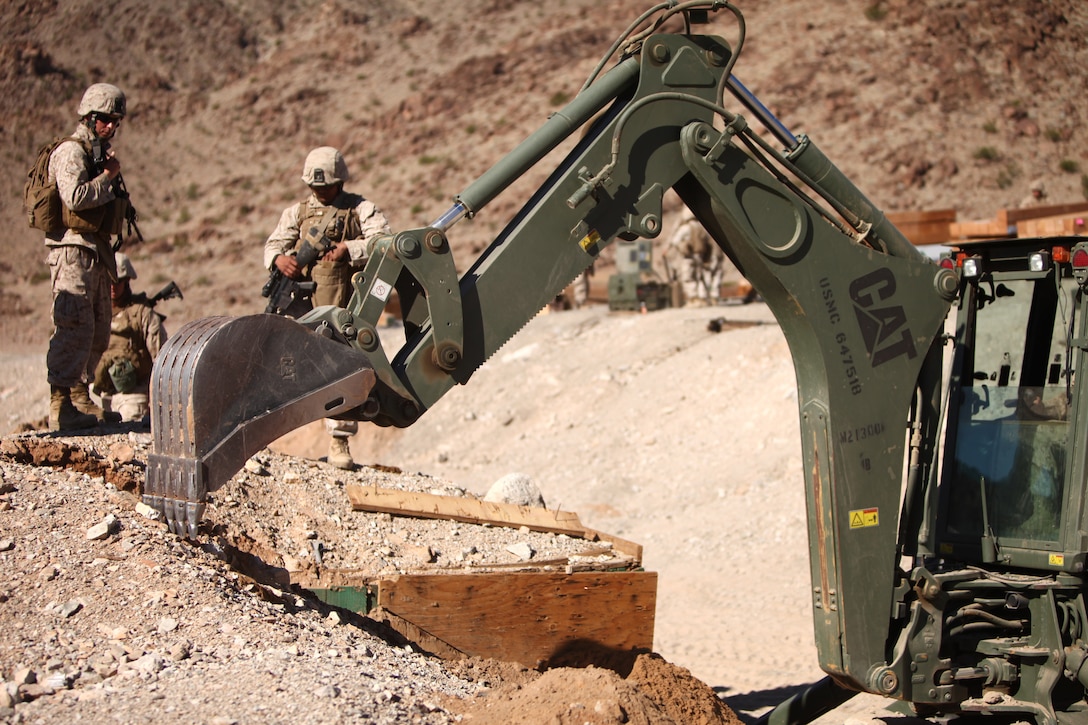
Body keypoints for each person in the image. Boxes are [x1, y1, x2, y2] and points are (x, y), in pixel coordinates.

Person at [263, 146, 392, 470]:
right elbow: (274, 245)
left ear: (340, 181)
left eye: (326, 187)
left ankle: (339, 441)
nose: (320, 193)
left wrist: (350, 249)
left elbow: (384, 241)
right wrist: (280, 260)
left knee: (340, 367)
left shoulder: (360, 209)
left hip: (343, 308)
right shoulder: (297, 213)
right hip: (301, 307)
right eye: (314, 188)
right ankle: (271, 439)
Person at [44, 83, 129, 430]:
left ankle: (80, 396)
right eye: (105, 119)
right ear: (90, 117)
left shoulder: (95, 155)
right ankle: (60, 403)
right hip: (71, 250)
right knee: (74, 324)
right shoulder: (71, 152)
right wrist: (108, 177)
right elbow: (76, 198)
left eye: (115, 121)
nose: (110, 127)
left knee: (96, 327)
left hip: (93, 250)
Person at [92, 253, 167, 423]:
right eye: (108, 280)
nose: (112, 286)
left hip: (134, 397)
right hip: (101, 396)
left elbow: (161, 360)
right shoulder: (95, 314)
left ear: (126, 281)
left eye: (117, 281)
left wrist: (157, 401)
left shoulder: (142, 314)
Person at [664, 208, 723, 306]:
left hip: (688, 257)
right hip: (700, 256)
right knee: (700, 276)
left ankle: (693, 298)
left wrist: (681, 247)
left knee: (688, 277)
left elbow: (675, 241)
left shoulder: (686, 228)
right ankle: (703, 298)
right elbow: (707, 240)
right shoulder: (702, 227)